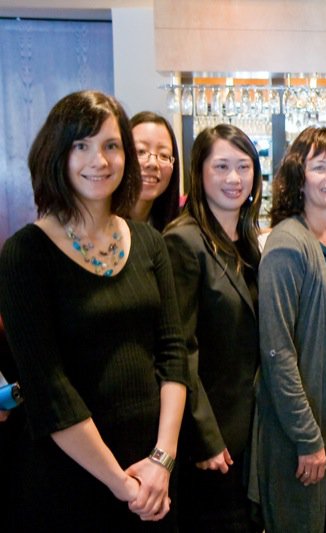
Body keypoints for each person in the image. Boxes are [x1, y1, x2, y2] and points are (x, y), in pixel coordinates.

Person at [0, 90, 188, 531]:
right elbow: (49, 388)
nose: (98, 160)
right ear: (56, 154)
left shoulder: (149, 242)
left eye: (111, 145)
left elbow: (173, 353)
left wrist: (162, 460)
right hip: (68, 475)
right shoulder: (25, 253)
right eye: (80, 145)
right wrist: (122, 486)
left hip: (152, 470)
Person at [252, 126, 326, 532]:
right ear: (299, 179)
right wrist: (306, 436)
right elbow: (277, 351)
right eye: (320, 167)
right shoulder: (287, 244)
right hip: (309, 419)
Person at [163, 124, 263, 532]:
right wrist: (205, 437)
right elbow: (179, 349)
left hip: (250, 424)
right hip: (212, 433)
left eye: (243, 166)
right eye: (221, 166)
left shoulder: (247, 237)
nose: (234, 178)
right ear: (199, 173)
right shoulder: (183, 241)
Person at [130, 112, 181, 231]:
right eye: (141, 151)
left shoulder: (176, 231)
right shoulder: (99, 226)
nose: (153, 163)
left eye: (164, 155)